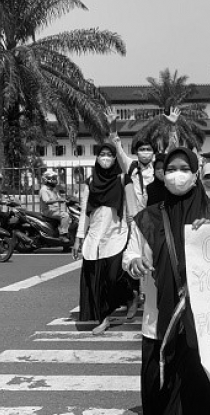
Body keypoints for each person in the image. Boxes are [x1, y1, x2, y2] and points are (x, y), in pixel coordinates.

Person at [123, 147, 210, 415]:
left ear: (196, 173)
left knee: (202, 401)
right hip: (159, 325)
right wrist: (134, 264)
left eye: (184, 169)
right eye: (171, 169)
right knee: (160, 398)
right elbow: (130, 255)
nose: (177, 176)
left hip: (203, 328)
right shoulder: (146, 218)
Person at [73, 142, 132, 334]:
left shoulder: (122, 180)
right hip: (94, 238)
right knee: (97, 282)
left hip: (116, 235)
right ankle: (103, 318)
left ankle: (130, 295)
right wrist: (78, 238)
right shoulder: (90, 182)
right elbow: (85, 212)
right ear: (97, 157)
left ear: (115, 158)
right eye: (102, 154)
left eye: (109, 154)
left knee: (114, 278)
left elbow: (130, 209)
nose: (105, 158)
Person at [40, 170, 71, 240]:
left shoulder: (53, 189)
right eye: (53, 178)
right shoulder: (44, 190)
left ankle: (67, 244)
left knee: (70, 216)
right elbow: (46, 201)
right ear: (47, 179)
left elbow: (59, 198)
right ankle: (63, 235)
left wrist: (68, 200)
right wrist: (58, 200)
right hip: (48, 212)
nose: (55, 180)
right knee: (65, 215)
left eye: (55, 178)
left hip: (55, 211)